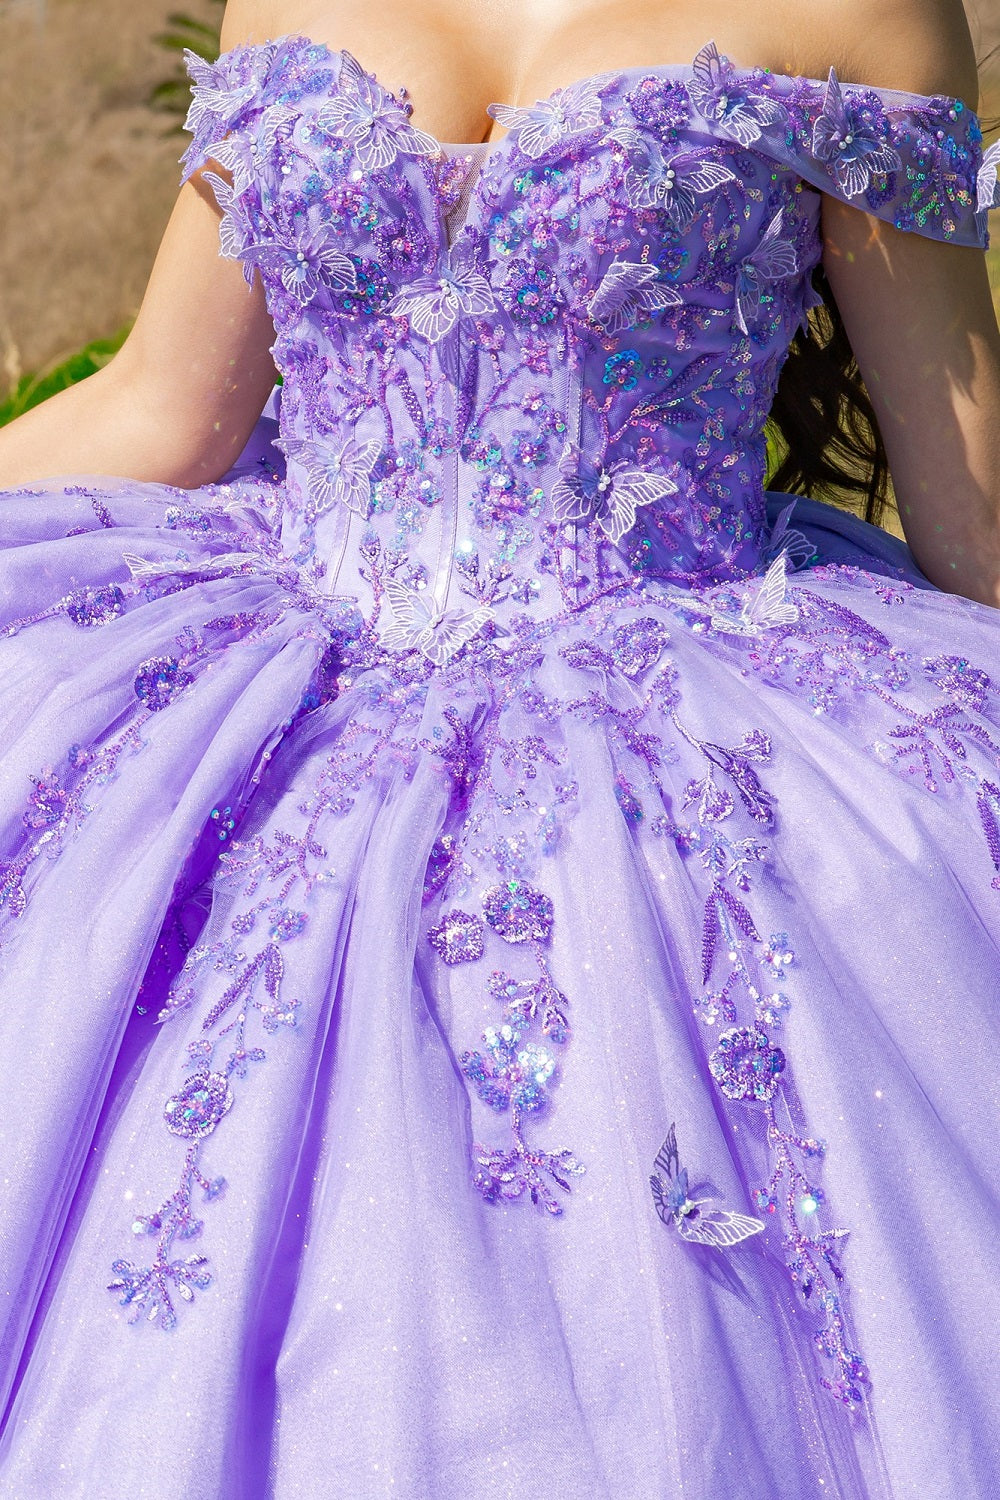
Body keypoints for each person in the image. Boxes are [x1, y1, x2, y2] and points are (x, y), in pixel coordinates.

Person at [0, 0, 997, 1493]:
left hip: (676, 761)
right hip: (259, 720)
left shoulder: (856, 10)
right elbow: (163, 409)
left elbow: (975, 525)